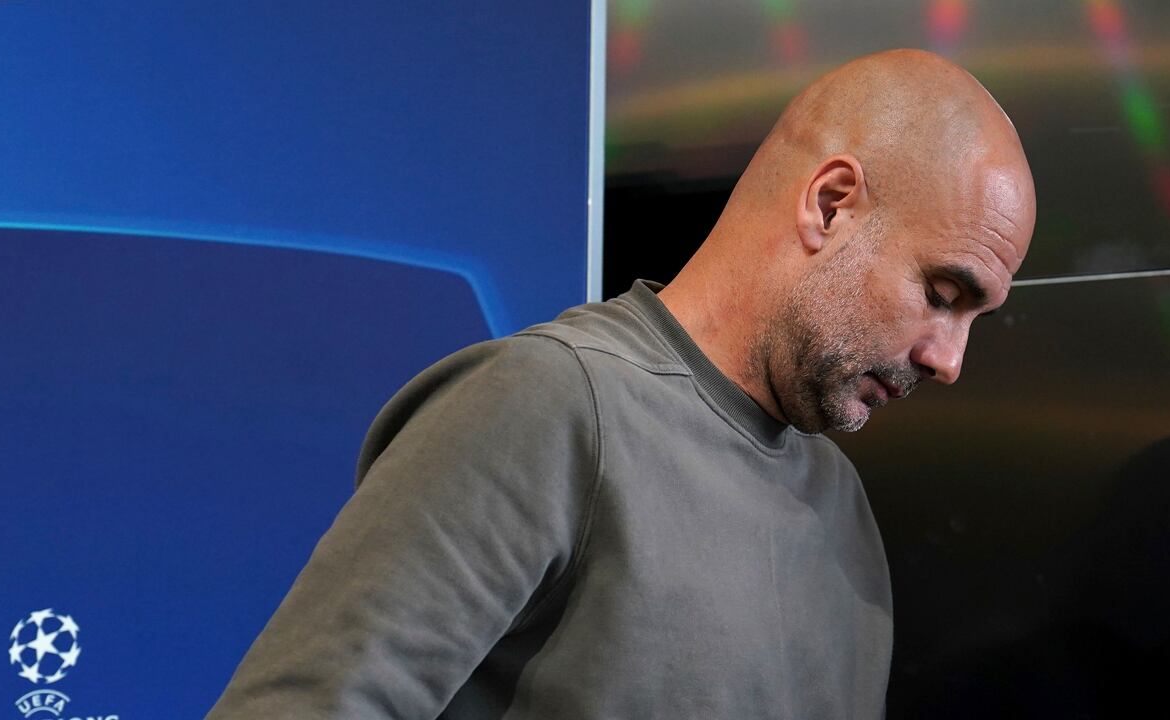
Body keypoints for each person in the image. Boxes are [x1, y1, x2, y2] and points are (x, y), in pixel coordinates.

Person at [207, 48, 1036, 719]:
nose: (947, 359)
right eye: (943, 294)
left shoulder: (843, 509)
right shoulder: (547, 405)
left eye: (973, 318)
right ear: (830, 204)